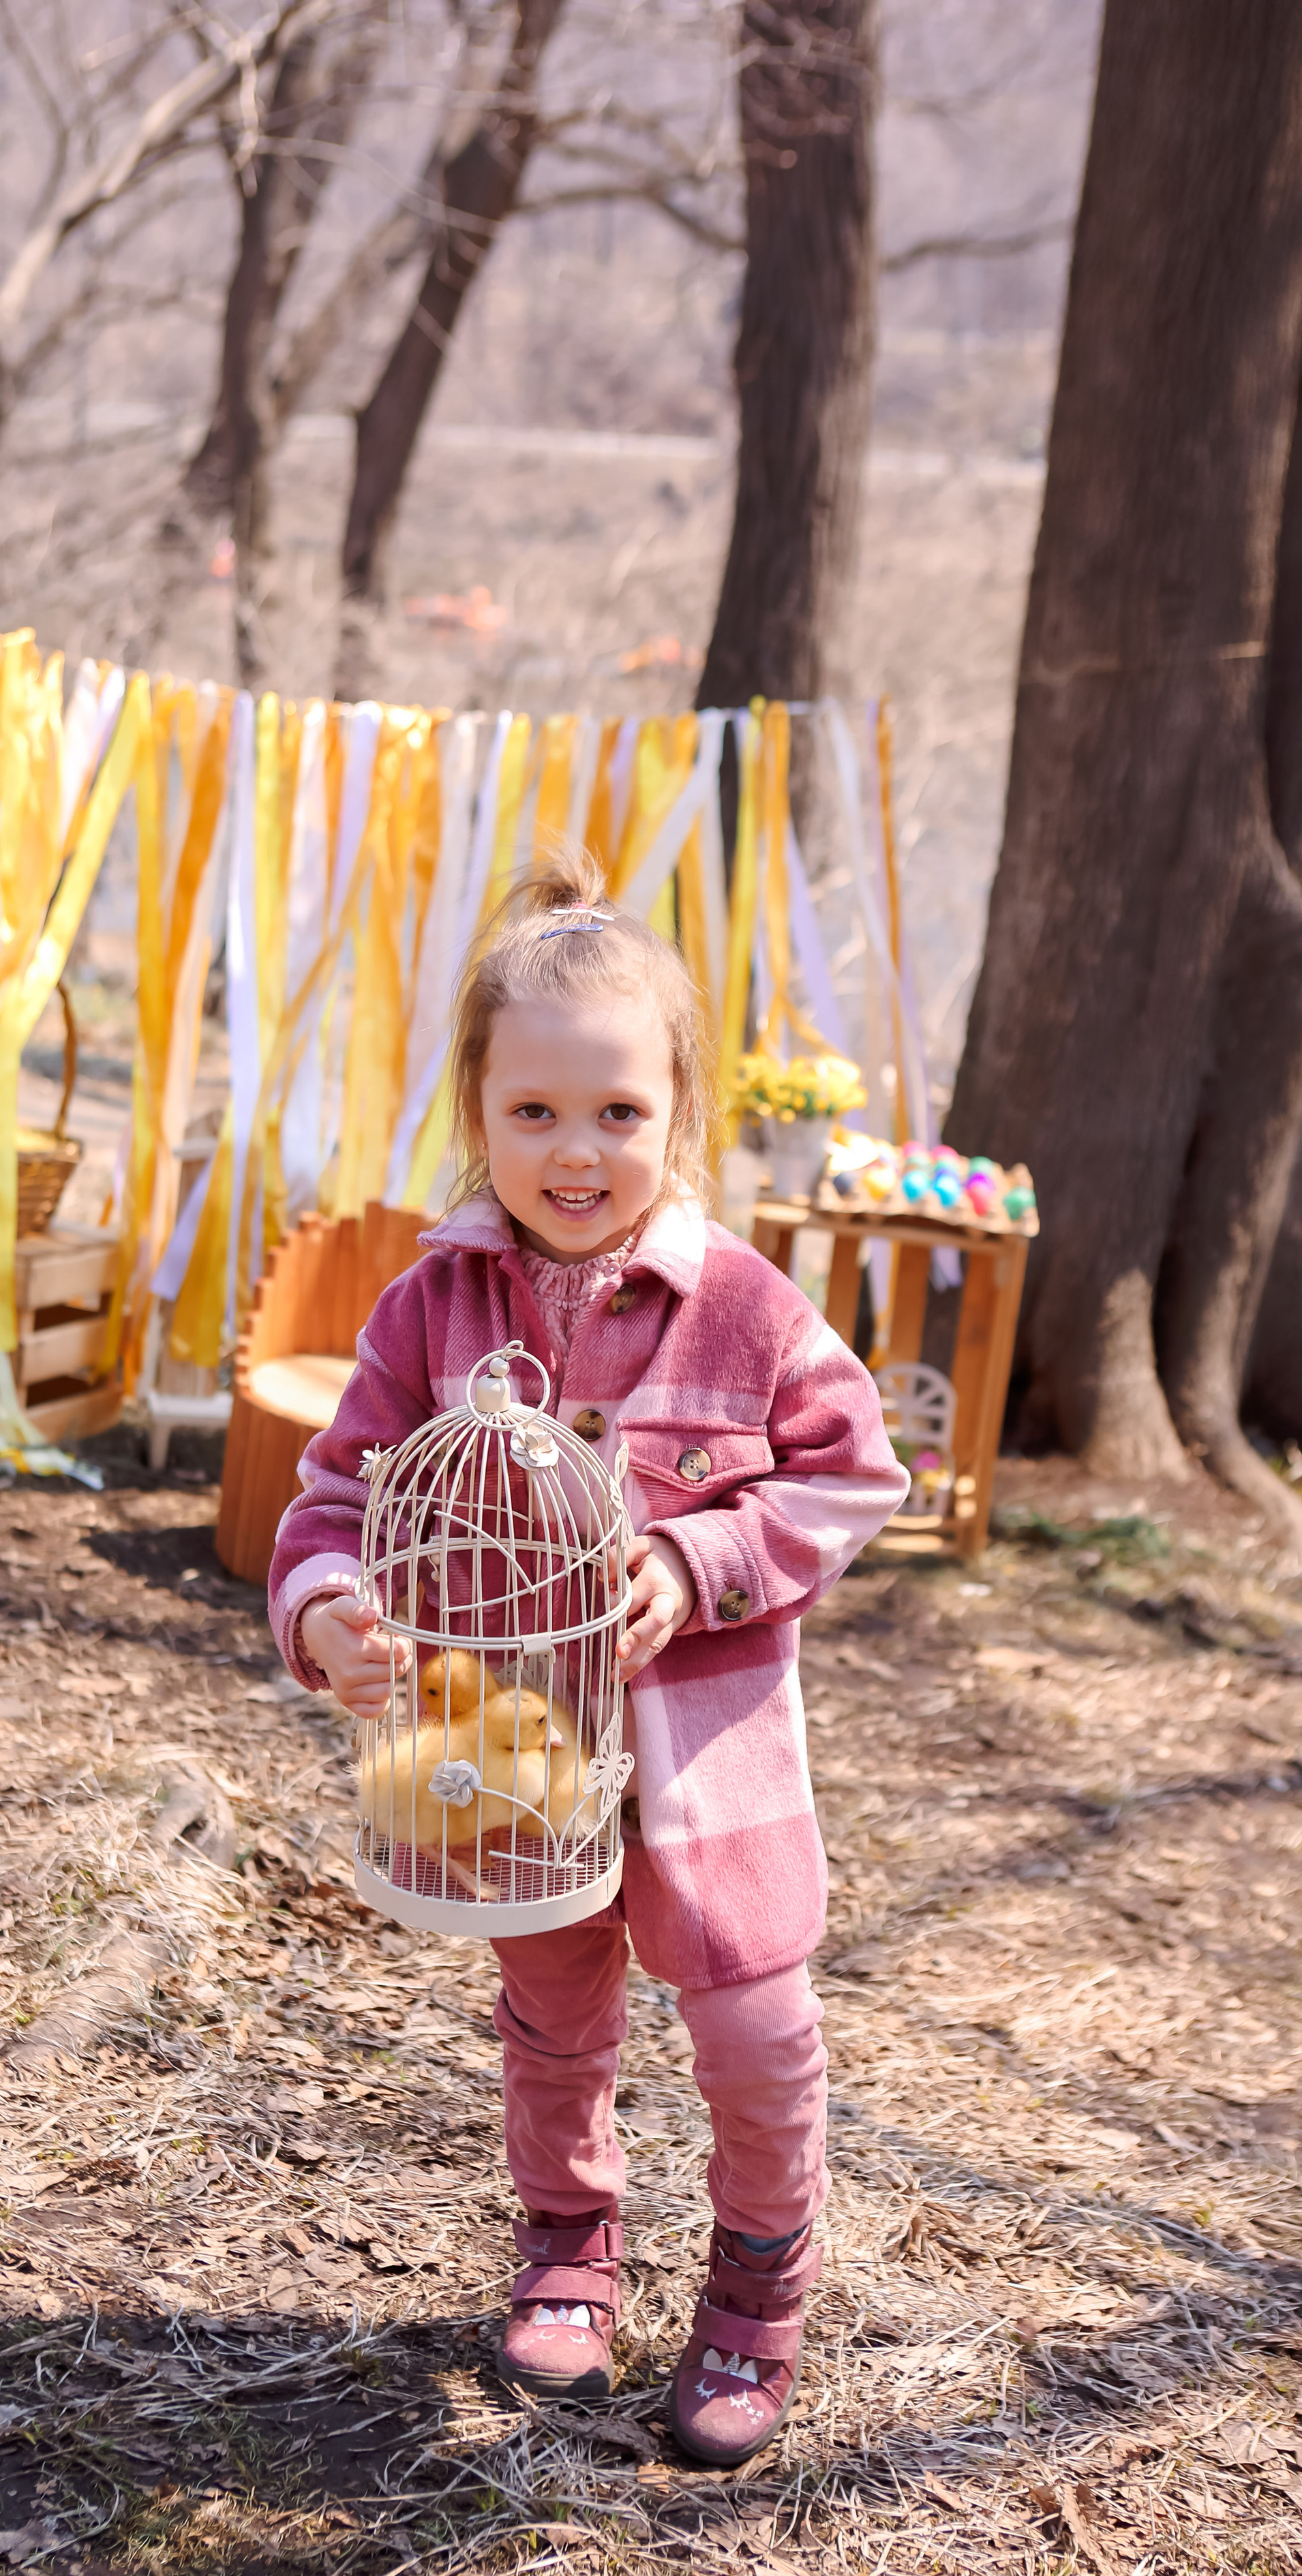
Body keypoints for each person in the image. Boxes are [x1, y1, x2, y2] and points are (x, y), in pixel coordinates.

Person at [268, 851, 908, 2466]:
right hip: (492, 1736)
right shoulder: (429, 1304)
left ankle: (756, 2294)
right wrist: (330, 1607)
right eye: (534, 1112)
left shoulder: (746, 1308)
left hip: (710, 1758)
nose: (575, 1151)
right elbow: (338, 1489)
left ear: (677, 1114)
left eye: (617, 1114)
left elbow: (850, 1475)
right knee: (550, 2020)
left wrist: (700, 1562)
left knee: (756, 2032)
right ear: (477, 1114)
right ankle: (568, 2245)